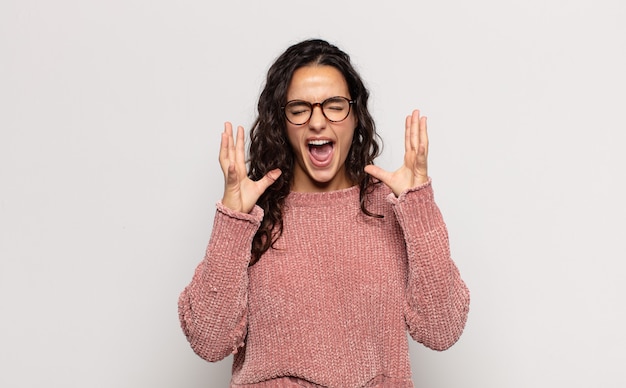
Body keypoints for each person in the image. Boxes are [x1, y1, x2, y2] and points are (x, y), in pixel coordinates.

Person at [178, 38, 470, 388]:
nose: (317, 122)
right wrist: (232, 220)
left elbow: (442, 329)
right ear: (281, 121)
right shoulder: (253, 213)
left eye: (334, 105)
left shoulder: (390, 206)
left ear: (356, 115)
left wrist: (418, 204)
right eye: (300, 108)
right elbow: (209, 342)